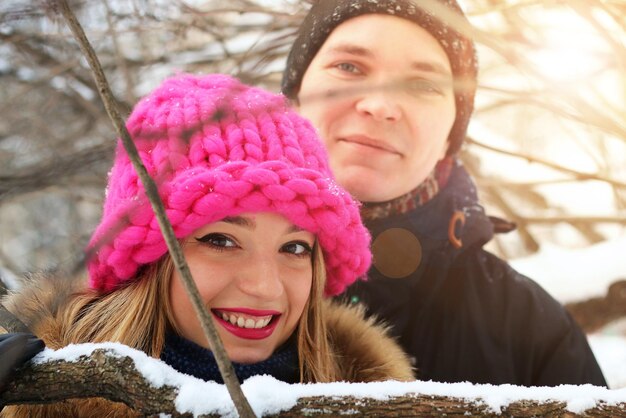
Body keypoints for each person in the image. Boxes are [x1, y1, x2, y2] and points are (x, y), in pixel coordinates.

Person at [0, 73, 414, 417]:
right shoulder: (39, 392)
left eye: (294, 248)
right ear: (148, 258)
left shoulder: (376, 399)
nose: (265, 288)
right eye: (221, 240)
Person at [281, 0, 607, 387]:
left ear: (451, 136)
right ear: (296, 94)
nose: (380, 105)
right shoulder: (201, 271)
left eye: (422, 85)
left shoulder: (531, 329)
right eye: (349, 67)